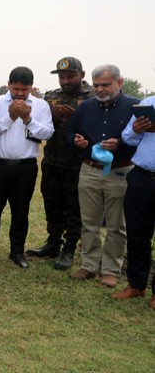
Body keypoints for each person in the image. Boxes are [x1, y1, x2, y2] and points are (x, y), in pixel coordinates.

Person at [65, 64, 139, 287]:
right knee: (89, 222)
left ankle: (110, 270)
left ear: (120, 82)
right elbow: (69, 132)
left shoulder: (135, 106)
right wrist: (76, 141)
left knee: (117, 224)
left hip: (120, 171)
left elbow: (144, 139)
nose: (99, 89)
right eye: (96, 85)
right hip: (89, 170)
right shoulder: (85, 107)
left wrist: (121, 143)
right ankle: (88, 265)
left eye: (105, 85)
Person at [0, 67, 54, 268]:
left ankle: (17, 251)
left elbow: (47, 133)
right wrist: (10, 117)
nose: (20, 93)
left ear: (32, 87)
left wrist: (28, 119)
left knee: (21, 210)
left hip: (25, 167)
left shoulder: (41, 105)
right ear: (8, 84)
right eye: (16, 88)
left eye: (24, 89)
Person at [27, 57, 94, 270]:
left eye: (70, 76)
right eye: (62, 77)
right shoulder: (52, 97)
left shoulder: (92, 98)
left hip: (78, 163)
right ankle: (53, 242)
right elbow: (41, 127)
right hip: (53, 160)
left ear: (82, 75)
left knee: (74, 208)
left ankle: (69, 248)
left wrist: (76, 119)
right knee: (52, 204)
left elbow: (98, 132)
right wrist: (54, 119)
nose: (65, 81)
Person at [112, 96, 155, 309]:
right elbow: (127, 138)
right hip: (142, 177)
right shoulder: (149, 103)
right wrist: (136, 129)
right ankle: (136, 285)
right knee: (138, 234)